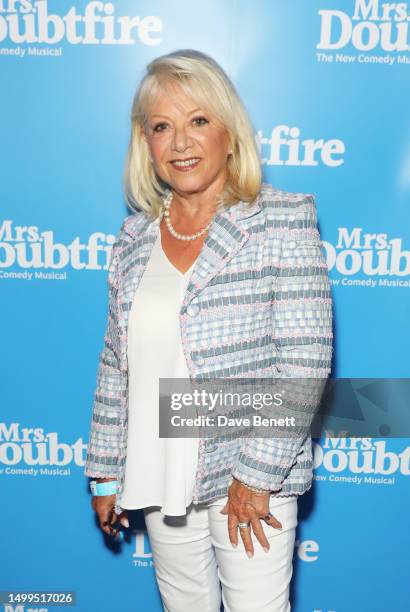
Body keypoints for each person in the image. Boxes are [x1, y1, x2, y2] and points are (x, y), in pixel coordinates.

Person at [84, 49, 333, 612]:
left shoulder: (281, 220)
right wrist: (104, 473)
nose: (180, 143)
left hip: (246, 473)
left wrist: (257, 474)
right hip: (158, 466)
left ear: (229, 132)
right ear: (144, 142)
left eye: (198, 121)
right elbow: (115, 364)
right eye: (162, 127)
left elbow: (306, 359)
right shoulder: (132, 240)